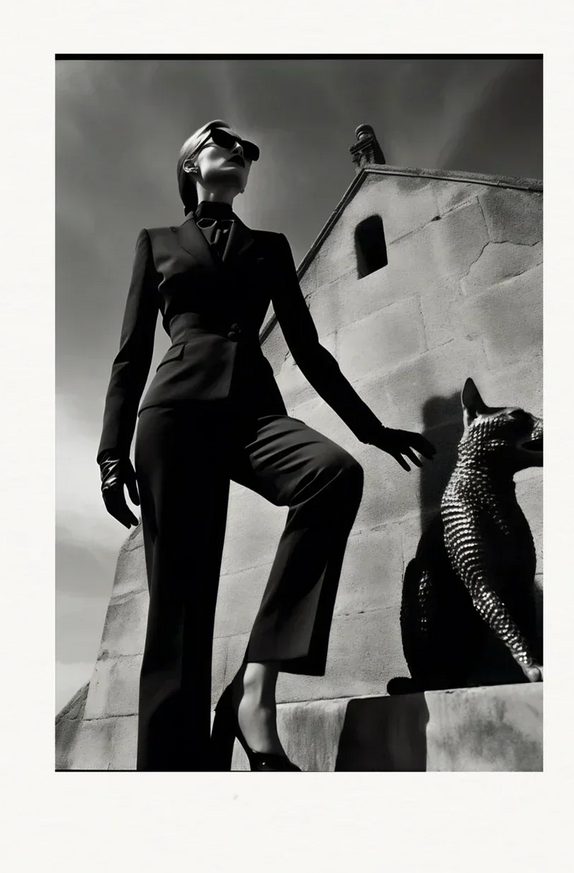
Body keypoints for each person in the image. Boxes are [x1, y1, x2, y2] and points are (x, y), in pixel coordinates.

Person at [97, 120, 434, 771]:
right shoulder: (158, 242)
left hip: (251, 414)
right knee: (178, 609)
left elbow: (307, 349)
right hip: (171, 416)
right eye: (223, 142)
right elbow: (130, 353)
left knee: (332, 474)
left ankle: (255, 688)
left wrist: (367, 429)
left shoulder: (270, 246)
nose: (240, 152)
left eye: (247, 152)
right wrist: (111, 451)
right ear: (192, 163)